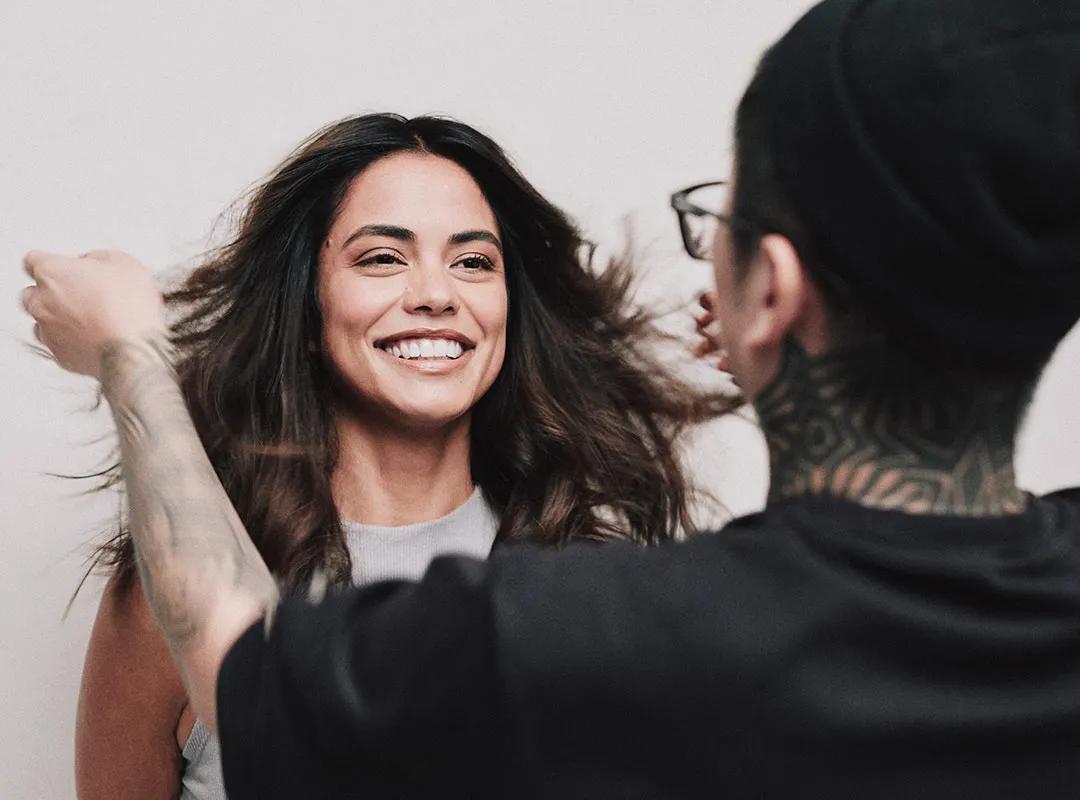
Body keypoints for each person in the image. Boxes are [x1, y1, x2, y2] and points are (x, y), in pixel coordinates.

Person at [22, 0, 1080, 797]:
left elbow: (238, 657)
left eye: (722, 225)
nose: (433, 290)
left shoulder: (598, 631)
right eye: (382, 257)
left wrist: (131, 347)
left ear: (771, 291)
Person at [57, 114, 731, 799]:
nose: (437, 295)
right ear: (308, 304)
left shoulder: (592, 583)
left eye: (473, 262)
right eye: (382, 257)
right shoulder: (177, 587)